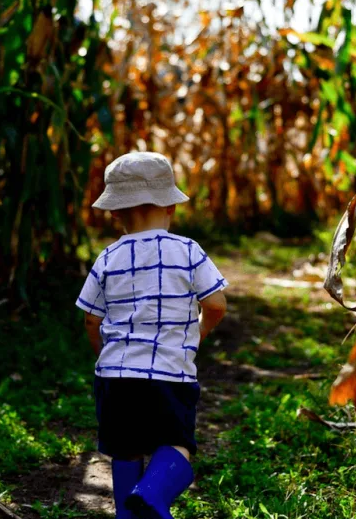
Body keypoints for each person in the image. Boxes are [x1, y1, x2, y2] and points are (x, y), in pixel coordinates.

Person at [77, 151, 229, 519]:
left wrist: (104, 355)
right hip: (170, 374)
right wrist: (200, 331)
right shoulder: (189, 250)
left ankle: (129, 513)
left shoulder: (107, 257)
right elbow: (217, 304)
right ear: (171, 208)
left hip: (116, 378)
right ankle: (153, 492)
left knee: (125, 449)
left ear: (115, 214)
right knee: (176, 443)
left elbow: (90, 320)